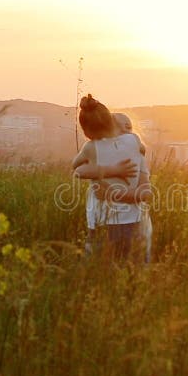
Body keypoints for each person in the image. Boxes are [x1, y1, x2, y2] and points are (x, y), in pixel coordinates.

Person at [72, 95, 150, 261]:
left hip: (102, 220)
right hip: (132, 219)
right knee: (131, 266)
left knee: (99, 268)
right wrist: (118, 169)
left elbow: (77, 168)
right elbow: (142, 149)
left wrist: (110, 173)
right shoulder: (134, 140)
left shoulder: (91, 147)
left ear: (87, 132)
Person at [112, 112, 152, 263]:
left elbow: (145, 191)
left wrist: (115, 194)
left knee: (133, 267)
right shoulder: (101, 156)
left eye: (128, 129)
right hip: (107, 222)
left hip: (132, 221)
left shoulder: (137, 157)